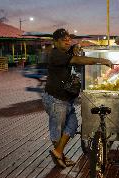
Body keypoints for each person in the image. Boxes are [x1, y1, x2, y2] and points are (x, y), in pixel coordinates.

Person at [42, 28, 112, 168]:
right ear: (55, 42)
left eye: (69, 39)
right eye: (64, 40)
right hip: (56, 99)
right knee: (57, 130)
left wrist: (76, 46)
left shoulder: (64, 51)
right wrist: (101, 60)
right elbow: (77, 59)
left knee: (73, 125)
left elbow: (74, 50)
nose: (68, 41)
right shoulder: (55, 55)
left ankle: (58, 153)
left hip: (66, 100)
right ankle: (60, 155)